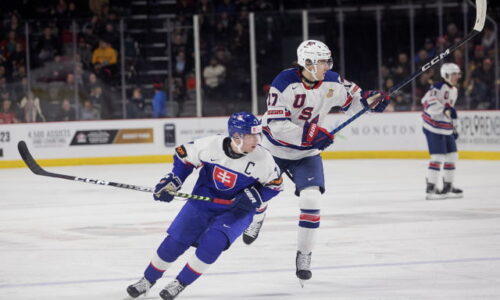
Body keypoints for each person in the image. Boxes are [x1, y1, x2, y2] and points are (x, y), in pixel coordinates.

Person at [242, 40, 390, 284]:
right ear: (307, 63)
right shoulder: (283, 83)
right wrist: (310, 133)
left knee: (312, 199)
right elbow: (277, 126)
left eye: (327, 60)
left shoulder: (332, 80)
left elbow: (353, 102)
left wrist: (370, 102)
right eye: (322, 61)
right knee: (258, 195)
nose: (327, 66)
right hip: (274, 149)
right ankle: (257, 219)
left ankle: (304, 254)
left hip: (306, 153)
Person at [126, 112, 283, 300]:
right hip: (202, 201)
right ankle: (147, 279)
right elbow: (183, 156)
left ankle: (180, 282)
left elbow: (275, 186)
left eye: (257, 135)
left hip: (236, 210)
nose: (256, 140)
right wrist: (174, 181)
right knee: (175, 242)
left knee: (213, 244)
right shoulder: (211, 145)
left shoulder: (263, 159)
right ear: (236, 136)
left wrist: (254, 196)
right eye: (250, 136)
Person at [421, 63, 463, 200]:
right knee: (437, 157)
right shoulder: (437, 87)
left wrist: (454, 127)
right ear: (445, 75)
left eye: (458, 74)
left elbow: (450, 111)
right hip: (432, 126)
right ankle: (431, 188)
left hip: (445, 127)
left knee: (452, 156)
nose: (457, 77)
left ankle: (448, 187)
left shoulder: (455, 90)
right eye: (454, 74)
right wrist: (443, 108)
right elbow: (427, 101)